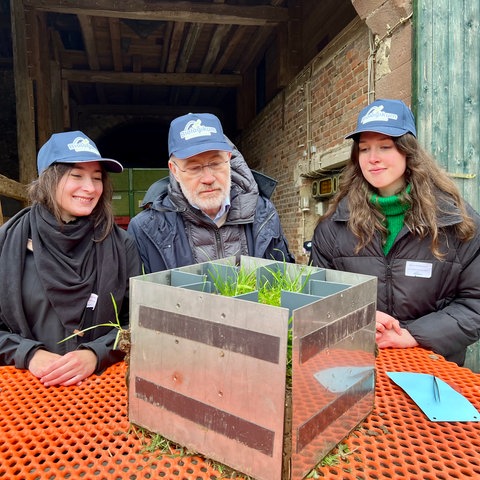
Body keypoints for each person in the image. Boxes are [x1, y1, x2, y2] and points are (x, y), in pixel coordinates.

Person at [310, 99, 480, 366]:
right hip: (355, 362)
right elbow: (317, 295)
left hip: (432, 367)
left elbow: (474, 303)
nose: (373, 158)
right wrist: (359, 315)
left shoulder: (454, 221)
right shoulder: (334, 225)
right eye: (364, 149)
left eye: (385, 147)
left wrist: (414, 335)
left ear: (408, 152)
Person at [0, 131, 142, 386]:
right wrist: (27, 353)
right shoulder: (9, 243)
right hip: (26, 388)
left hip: (101, 387)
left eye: (97, 178)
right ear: (48, 179)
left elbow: (140, 320)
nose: (89, 188)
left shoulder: (122, 245)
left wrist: (97, 353)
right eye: (76, 175)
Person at [128, 113, 294, 272]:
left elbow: (283, 285)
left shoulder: (264, 215)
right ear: (175, 170)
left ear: (228, 159)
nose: (208, 178)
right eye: (194, 168)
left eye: (215, 163)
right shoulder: (146, 229)